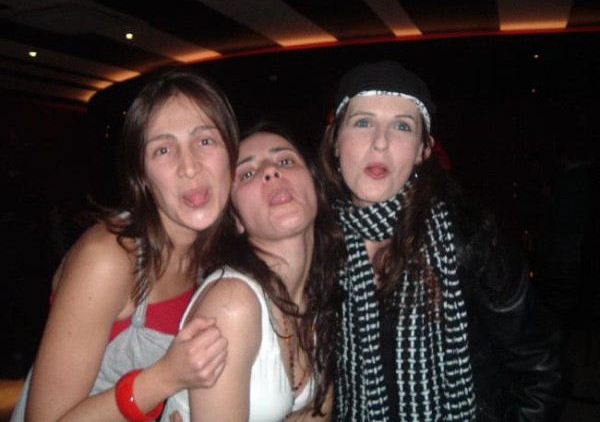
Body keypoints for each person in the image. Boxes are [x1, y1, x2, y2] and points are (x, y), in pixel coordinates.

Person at [318, 60, 563, 421]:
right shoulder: (316, 244)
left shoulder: (468, 237)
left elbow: (541, 367)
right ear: (336, 142)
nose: (381, 142)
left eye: (402, 126)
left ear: (423, 150)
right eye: (363, 122)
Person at [12, 67, 238, 422]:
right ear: (142, 176)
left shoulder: (206, 257)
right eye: (164, 149)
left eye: (205, 141)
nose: (189, 166)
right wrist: (164, 378)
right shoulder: (109, 258)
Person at [163, 122, 345, 421]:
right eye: (247, 173)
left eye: (285, 161)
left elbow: (317, 412)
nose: (271, 171)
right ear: (236, 219)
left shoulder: (317, 295)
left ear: (315, 186)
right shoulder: (233, 302)